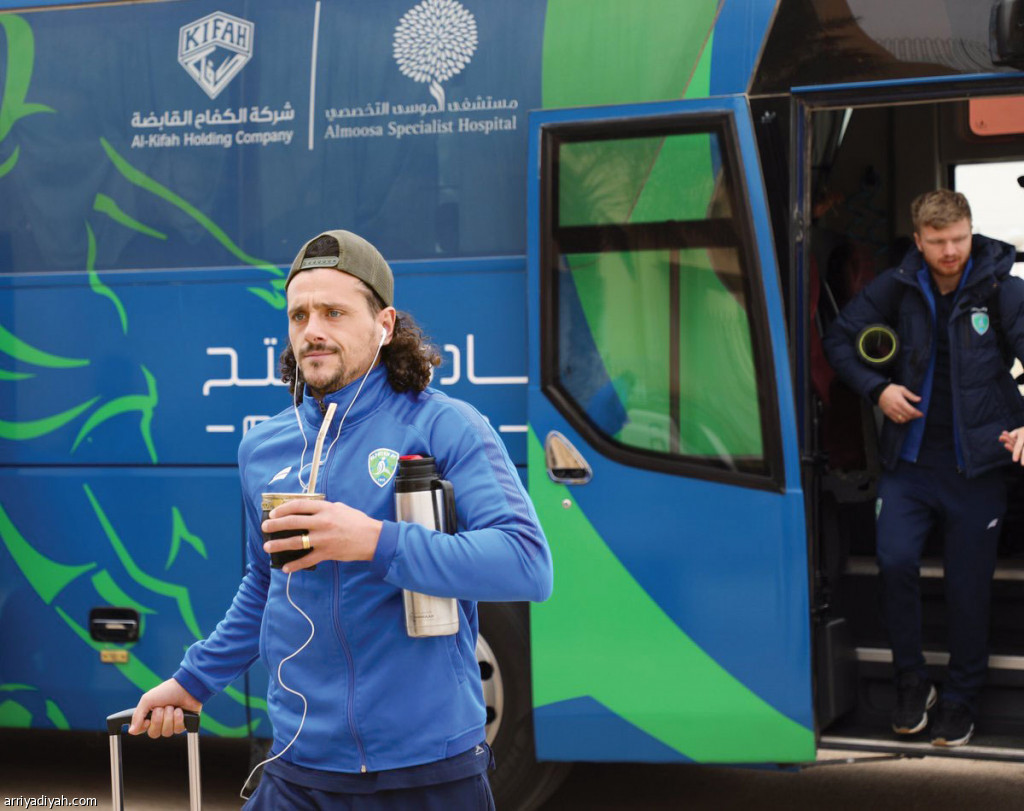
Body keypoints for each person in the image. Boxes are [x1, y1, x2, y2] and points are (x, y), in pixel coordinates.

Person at [128, 230, 554, 808]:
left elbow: (527, 564)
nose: (313, 330)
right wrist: (193, 682)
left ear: (384, 325)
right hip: (298, 766)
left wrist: (373, 541)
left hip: (427, 770)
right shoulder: (264, 448)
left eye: (334, 312)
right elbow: (265, 584)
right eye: (298, 315)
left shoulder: (446, 426)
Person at [824, 190, 1024, 747]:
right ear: (918, 240)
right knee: (894, 563)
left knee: (967, 588)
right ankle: (911, 683)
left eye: (958, 239)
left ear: (970, 232)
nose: (950, 251)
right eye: (937, 242)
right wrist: (877, 388)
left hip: (978, 468)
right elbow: (838, 339)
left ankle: (961, 698)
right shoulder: (898, 285)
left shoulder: (1003, 290)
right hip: (909, 464)